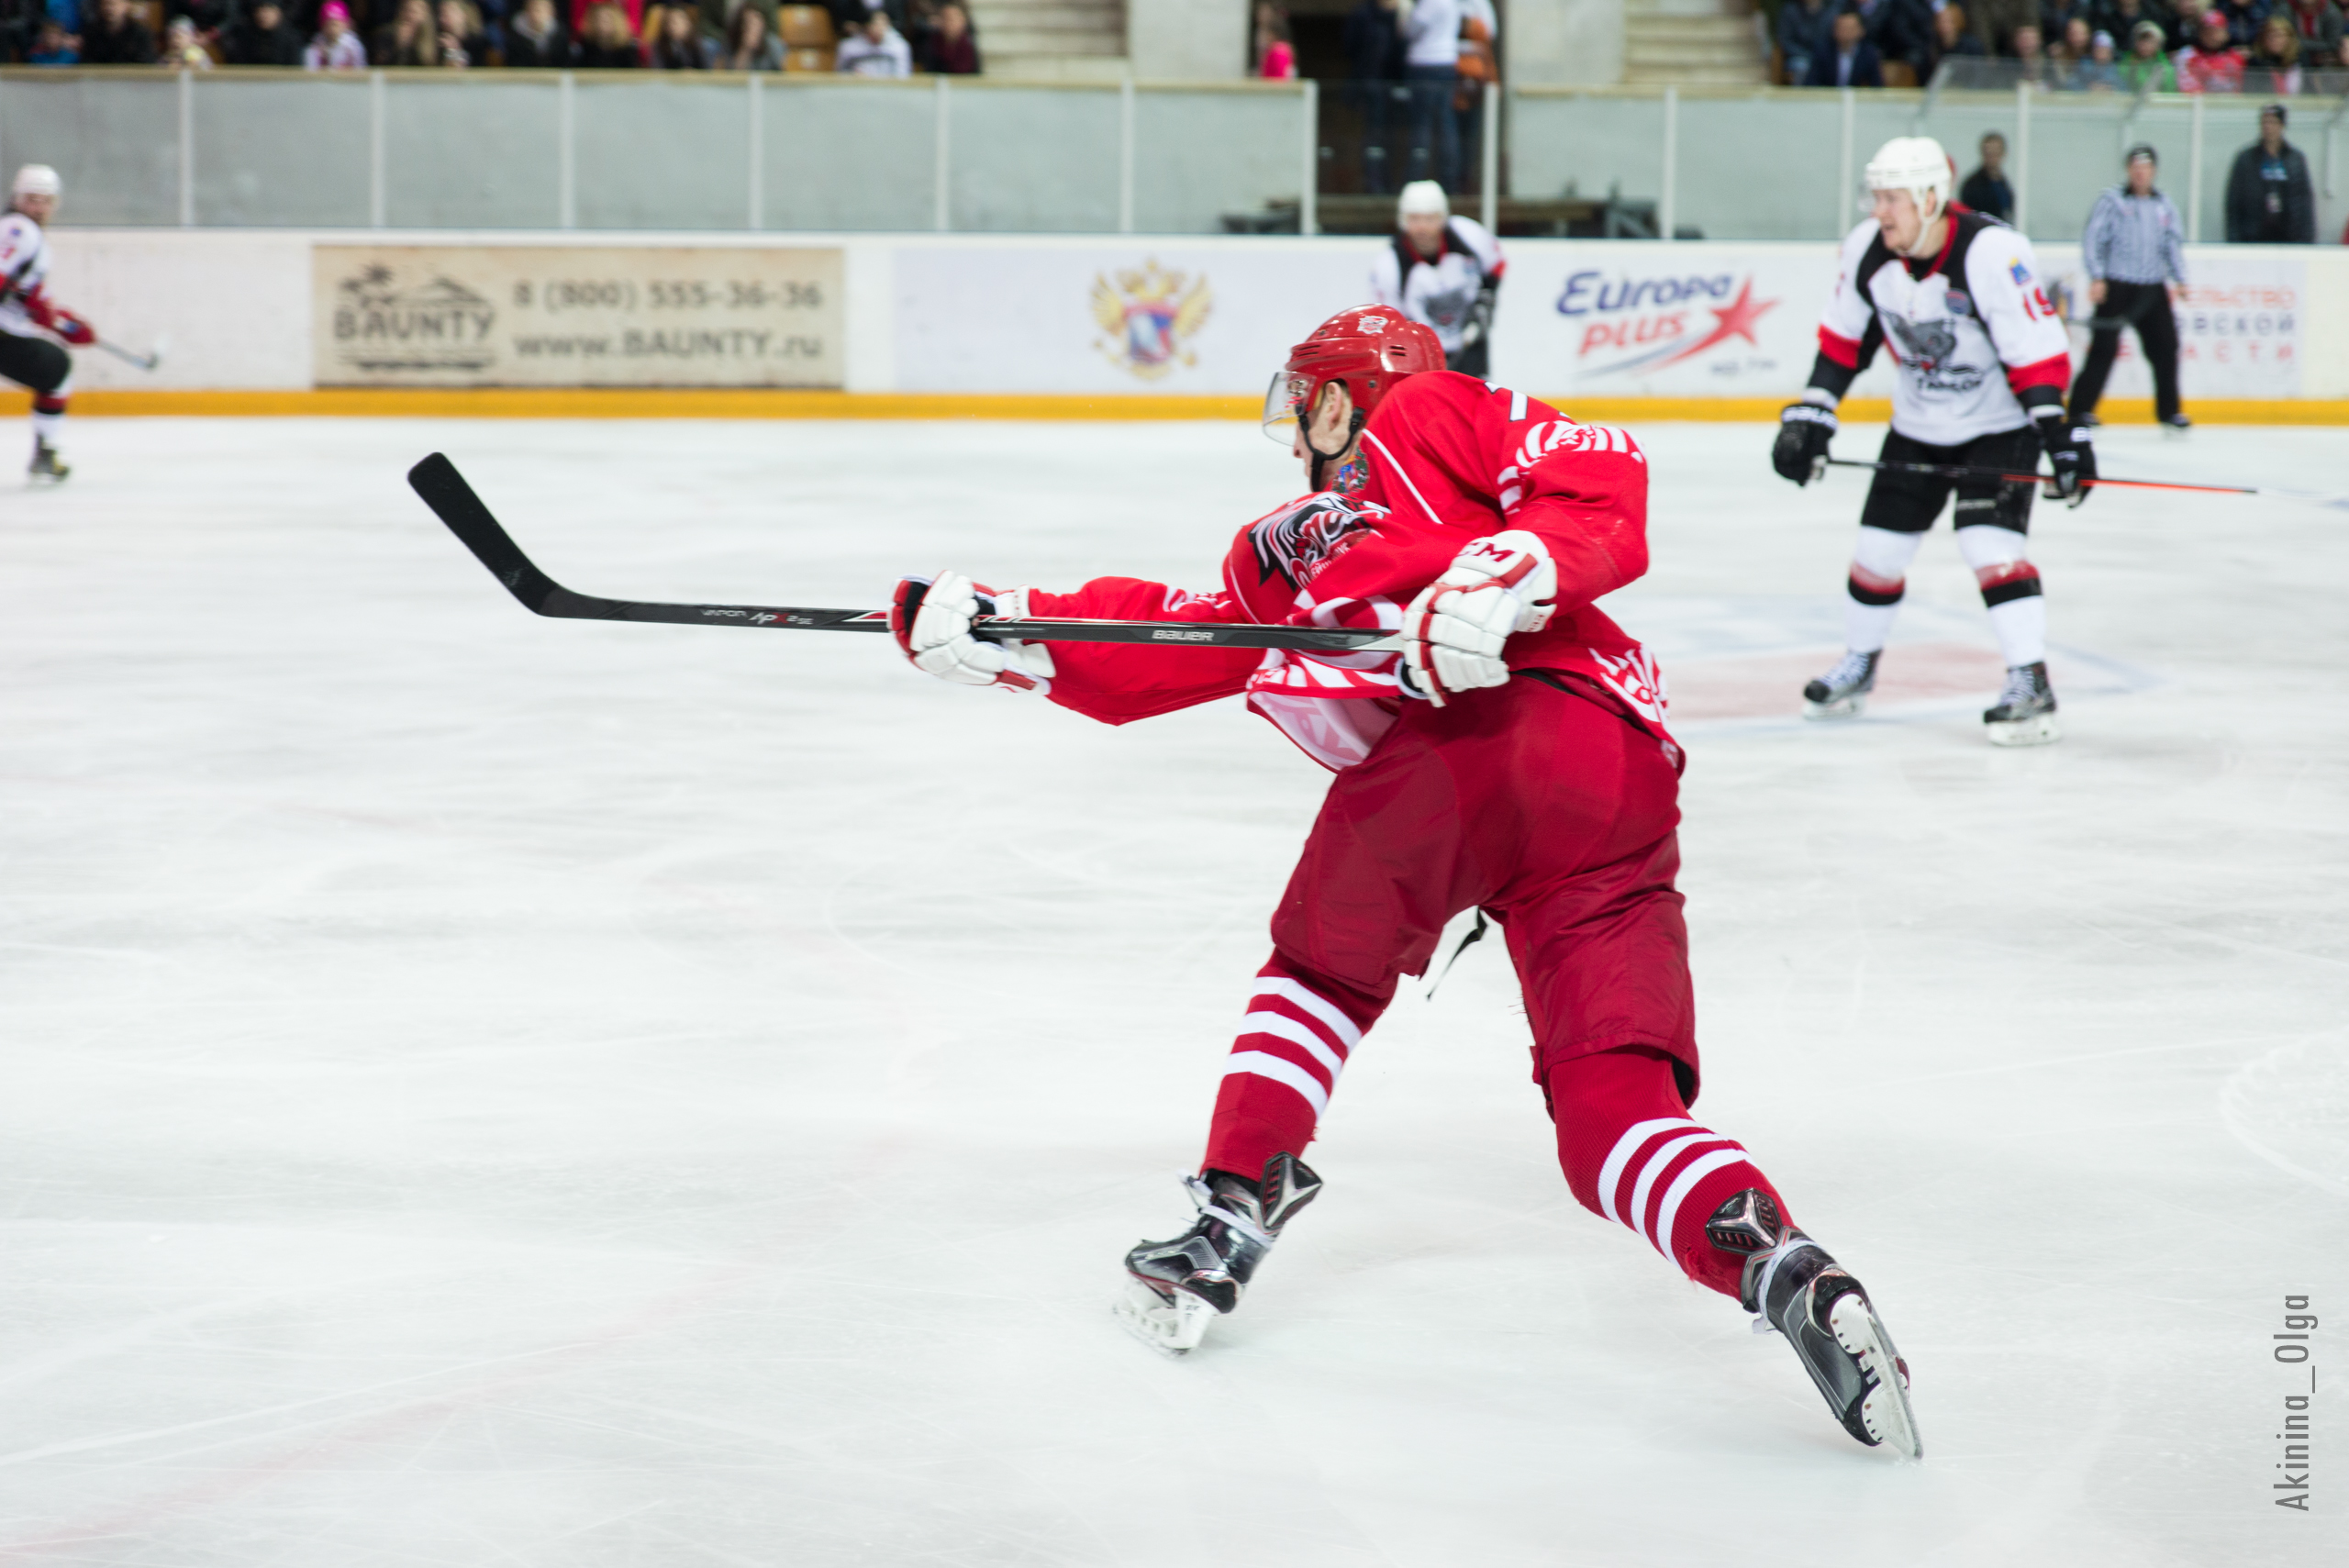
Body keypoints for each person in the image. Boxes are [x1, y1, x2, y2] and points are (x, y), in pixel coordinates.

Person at [885, 303, 1924, 1459]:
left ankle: (1229, 1217)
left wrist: (1506, 572)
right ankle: (1779, 1261)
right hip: (1618, 786)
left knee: (1320, 970)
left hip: (1485, 737)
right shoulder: (1277, 545)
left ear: (1340, 396)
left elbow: (1597, 472)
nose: (1293, 435)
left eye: (1303, 403)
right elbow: (1186, 643)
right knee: (1609, 1112)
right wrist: (1013, 631)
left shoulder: (1430, 413)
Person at [1771, 136, 2093, 746]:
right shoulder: (1868, 250)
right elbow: (1844, 343)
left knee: (1988, 545)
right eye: (1876, 197)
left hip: (1999, 429)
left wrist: (2061, 437)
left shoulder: (1993, 252)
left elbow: (2038, 354)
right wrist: (1811, 418)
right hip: (1918, 427)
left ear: (1928, 197)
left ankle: (2030, 681)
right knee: (1876, 556)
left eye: (1891, 199)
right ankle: (1860, 666)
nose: (1879, 211)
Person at [2074, 146, 2188, 428]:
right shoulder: (2112, 201)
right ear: (2128, 171)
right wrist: (2097, 276)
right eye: (2135, 168)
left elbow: (2171, 243)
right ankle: (2079, 410)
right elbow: (2094, 238)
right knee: (2104, 348)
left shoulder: (2164, 205)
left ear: (2154, 172)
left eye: (2146, 168)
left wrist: (2180, 278)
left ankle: (2169, 411)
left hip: (2152, 287)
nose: (2140, 173)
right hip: (2117, 285)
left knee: (2166, 348)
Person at [0, 166, 95, 484]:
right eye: (31, 199)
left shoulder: (27, 234)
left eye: (45, 201)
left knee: (55, 368)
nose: (38, 207)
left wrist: (64, 324)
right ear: (17, 198)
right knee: (57, 369)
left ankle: (45, 453)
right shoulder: (19, 229)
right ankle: (45, 452)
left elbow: (28, 293)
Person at [1368, 181, 1504, 376]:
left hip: (1470, 342)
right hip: (1421, 355)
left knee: (1477, 402)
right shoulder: (1388, 265)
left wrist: (1486, 301)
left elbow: (1497, 264)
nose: (1422, 227)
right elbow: (1388, 321)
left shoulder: (1468, 235)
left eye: (1430, 219)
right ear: (1402, 220)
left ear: (1443, 218)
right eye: (1414, 219)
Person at [2225, 103, 2316, 240]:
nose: (2268, 127)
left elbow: (2304, 203)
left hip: (2289, 237)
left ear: (2282, 125)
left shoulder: (2295, 160)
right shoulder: (2247, 159)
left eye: (2273, 122)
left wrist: (2307, 239)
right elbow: (2234, 203)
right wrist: (2234, 238)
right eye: (2265, 122)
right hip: (2253, 237)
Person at [1343, 0, 1407, 195]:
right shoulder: (1363, 14)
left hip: (1393, 85)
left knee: (1390, 136)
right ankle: (1373, 182)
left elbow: (1402, 50)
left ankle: (1387, 181)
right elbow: (1349, 46)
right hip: (1369, 83)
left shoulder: (1400, 16)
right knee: (1373, 135)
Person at [1400, 0, 1464, 189]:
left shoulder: (1430, 3)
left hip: (1426, 64)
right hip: (1447, 62)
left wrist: (1404, 12)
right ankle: (1449, 179)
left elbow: (1410, 30)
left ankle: (1416, 178)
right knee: (1445, 121)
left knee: (1423, 124)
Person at [1806, 8, 1887, 83]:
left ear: (1861, 30)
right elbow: (1811, 82)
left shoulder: (1869, 53)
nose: (1846, 32)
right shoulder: (1823, 51)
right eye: (1842, 28)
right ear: (1834, 30)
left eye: (1850, 28)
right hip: (1828, 97)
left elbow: (1877, 85)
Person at [2176, 9, 2246, 88]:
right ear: (2200, 33)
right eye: (2207, 31)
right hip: (2199, 99)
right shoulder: (2187, 55)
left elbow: (2238, 89)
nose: (2211, 35)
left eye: (2216, 31)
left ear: (2226, 34)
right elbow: (2188, 88)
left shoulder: (2236, 58)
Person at [834, 6, 909, 74]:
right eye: (876, 24)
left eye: (884, 24)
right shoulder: (848, 47)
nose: (880, 29)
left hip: (889, 87)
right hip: (858, 86)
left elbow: (903, 75)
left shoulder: (899, 46)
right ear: (867, 26)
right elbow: (839, 74)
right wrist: (852, 76)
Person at [227, 0, 307, 63]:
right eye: (261, 10)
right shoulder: (244, 37)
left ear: (279, 13)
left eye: (269, 10)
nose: (264, 15)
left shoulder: (291, 38)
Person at [1959, 131, 2014, 219]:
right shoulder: (1972, 186)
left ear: (2003, 153)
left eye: (1996, 152)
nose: (1993, 157)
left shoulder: (2004, 184)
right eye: (1989, 153)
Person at [1778, 0, 1837, 81]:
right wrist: (1807, 55)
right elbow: (1785, 41)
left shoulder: (1832, 8)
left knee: (1839, 64)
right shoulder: (1791, 10)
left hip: (1827, 55)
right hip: (1800, 55)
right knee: (1801, 66)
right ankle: (1799, 93)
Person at [79, 0, 157, 61]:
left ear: (127, 5)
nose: (109, 9)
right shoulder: (92, 32)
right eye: (105, 4)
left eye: (113, 4)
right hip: (101, 79)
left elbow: (147, 63)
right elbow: (87, 63)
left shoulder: (140, 33)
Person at [915, 0, 976, 72]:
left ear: (963, 21)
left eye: (953, 19)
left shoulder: (969, 45)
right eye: (946, 19)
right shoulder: (930, 44)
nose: (950, 23)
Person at [503, 0, 572, 64]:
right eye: (534, 10)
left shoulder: (560, 34)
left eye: (540, 11)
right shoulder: (514, 34)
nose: (537, 15)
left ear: (551, 12)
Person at [2245, 13, 2303, 88]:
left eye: (2279, 35)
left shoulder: (2302, 62)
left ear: (2290, 38)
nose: (2275, 40)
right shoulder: (2256, 65)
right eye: (2270, 36)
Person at [573, 1, 640, 64]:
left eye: (606, 21)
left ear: (617, 22)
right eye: (598, 20)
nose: (601, 24)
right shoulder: (585, 48)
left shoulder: (627, 51)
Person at [305, 0, 369, 66]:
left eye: (335, 24)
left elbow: (360, 70)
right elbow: (311, 71)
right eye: (328, 24)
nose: (332, 29)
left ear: (345, 24)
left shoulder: (354, 47)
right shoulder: (315, 47)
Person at [718, 1, 781, 67]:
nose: (754, 29)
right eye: (748, 25)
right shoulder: (729, 43)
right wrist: (746, 50)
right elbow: (730, 73)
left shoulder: (773, 45)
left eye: (756, 25)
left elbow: (784, 73)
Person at [373, 0, 439, 62]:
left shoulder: (434, 39)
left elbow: (429, 66)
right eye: (406, 11)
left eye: (414, 12)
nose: (409, 16)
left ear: (425, 16)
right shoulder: (387, 36)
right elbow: (381, 64)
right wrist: (400, 46)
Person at [2120, 17, 2179, 84]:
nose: (2145, 45)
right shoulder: (2126, 63)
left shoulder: (2165, 66)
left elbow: (2170, 90)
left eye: (2150, 42)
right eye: (2142, 41)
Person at [646, 0, 707, 64]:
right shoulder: (659, 46)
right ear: (666, 26)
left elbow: (704, 68)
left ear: (688, 23)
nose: (677, 26)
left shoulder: (696, 44)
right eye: (673, 22)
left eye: (681, 21)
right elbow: (657, 68)